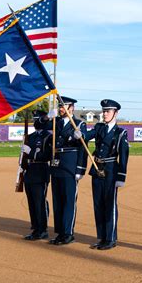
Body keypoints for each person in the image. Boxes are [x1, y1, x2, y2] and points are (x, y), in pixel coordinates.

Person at [85, 99, 129, 250]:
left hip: (111, 170)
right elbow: (86, 135)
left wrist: (121, 176)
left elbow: (124, 156)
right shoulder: (99, 128)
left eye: (107, 111)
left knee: (110, 204)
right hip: (97, 168)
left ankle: (111, 238)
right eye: (103, 111)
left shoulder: (120, 132)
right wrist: (79, 134)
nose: (104, 114)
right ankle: (102, 237)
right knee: (98, 204)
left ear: (115, 113)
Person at [48, 96, 87, 245]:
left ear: (72, 108)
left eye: (64, 106)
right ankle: (60, 232)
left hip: (70, 165)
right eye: (60, 106)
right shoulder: (55, 122)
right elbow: (38, 124)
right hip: (57, 164)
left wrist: (80, 169)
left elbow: (83, 148)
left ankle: (68, 233)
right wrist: (47, 117)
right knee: (58, 200)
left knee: (69, 200)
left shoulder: (79, 124)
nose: (61, 109)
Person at [21, 110, 52, 240]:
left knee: (39, 202)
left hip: (40, 170)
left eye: (37, 119)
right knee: (32, 202)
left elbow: (47, 155)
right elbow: (24, 156)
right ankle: (35, 227)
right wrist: (23, 166)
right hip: (30, 171)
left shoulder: (48, 136)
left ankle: (42, 229)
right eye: (34, 119)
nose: (35, 122)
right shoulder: (31, 136)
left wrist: (31, 152)